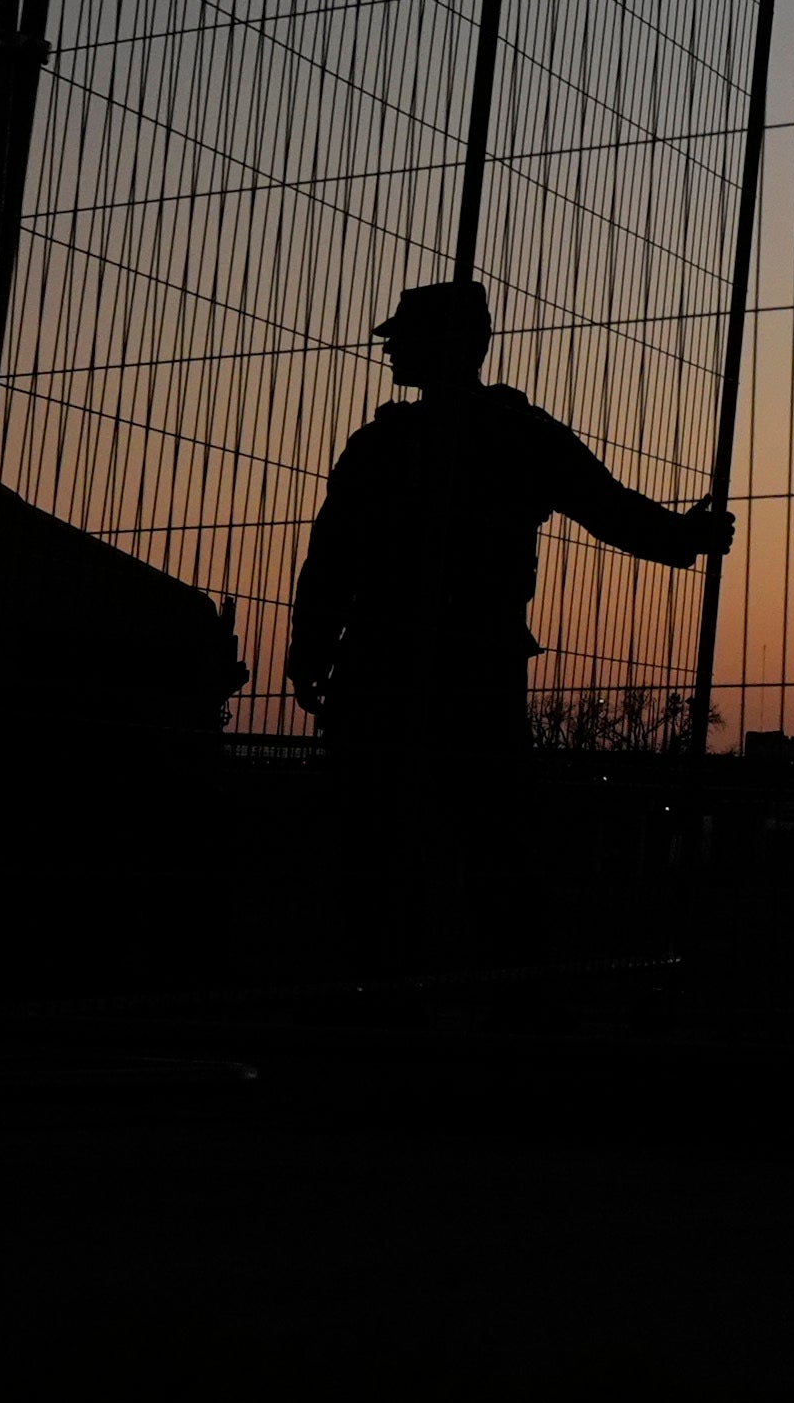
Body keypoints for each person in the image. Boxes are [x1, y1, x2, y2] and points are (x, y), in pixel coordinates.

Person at [287, 278, 731, 959]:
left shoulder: (389, 444)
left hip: (388, 662)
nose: (390, 350)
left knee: (381, 839)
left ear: (441, 346)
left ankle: (382, 988)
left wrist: (312, 649)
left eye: (402, 337)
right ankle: (506, 992)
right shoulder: (513, 434)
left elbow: (333, 555)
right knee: (485, 838)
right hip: (472, 662)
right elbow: (606, 505)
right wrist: (682, 537)